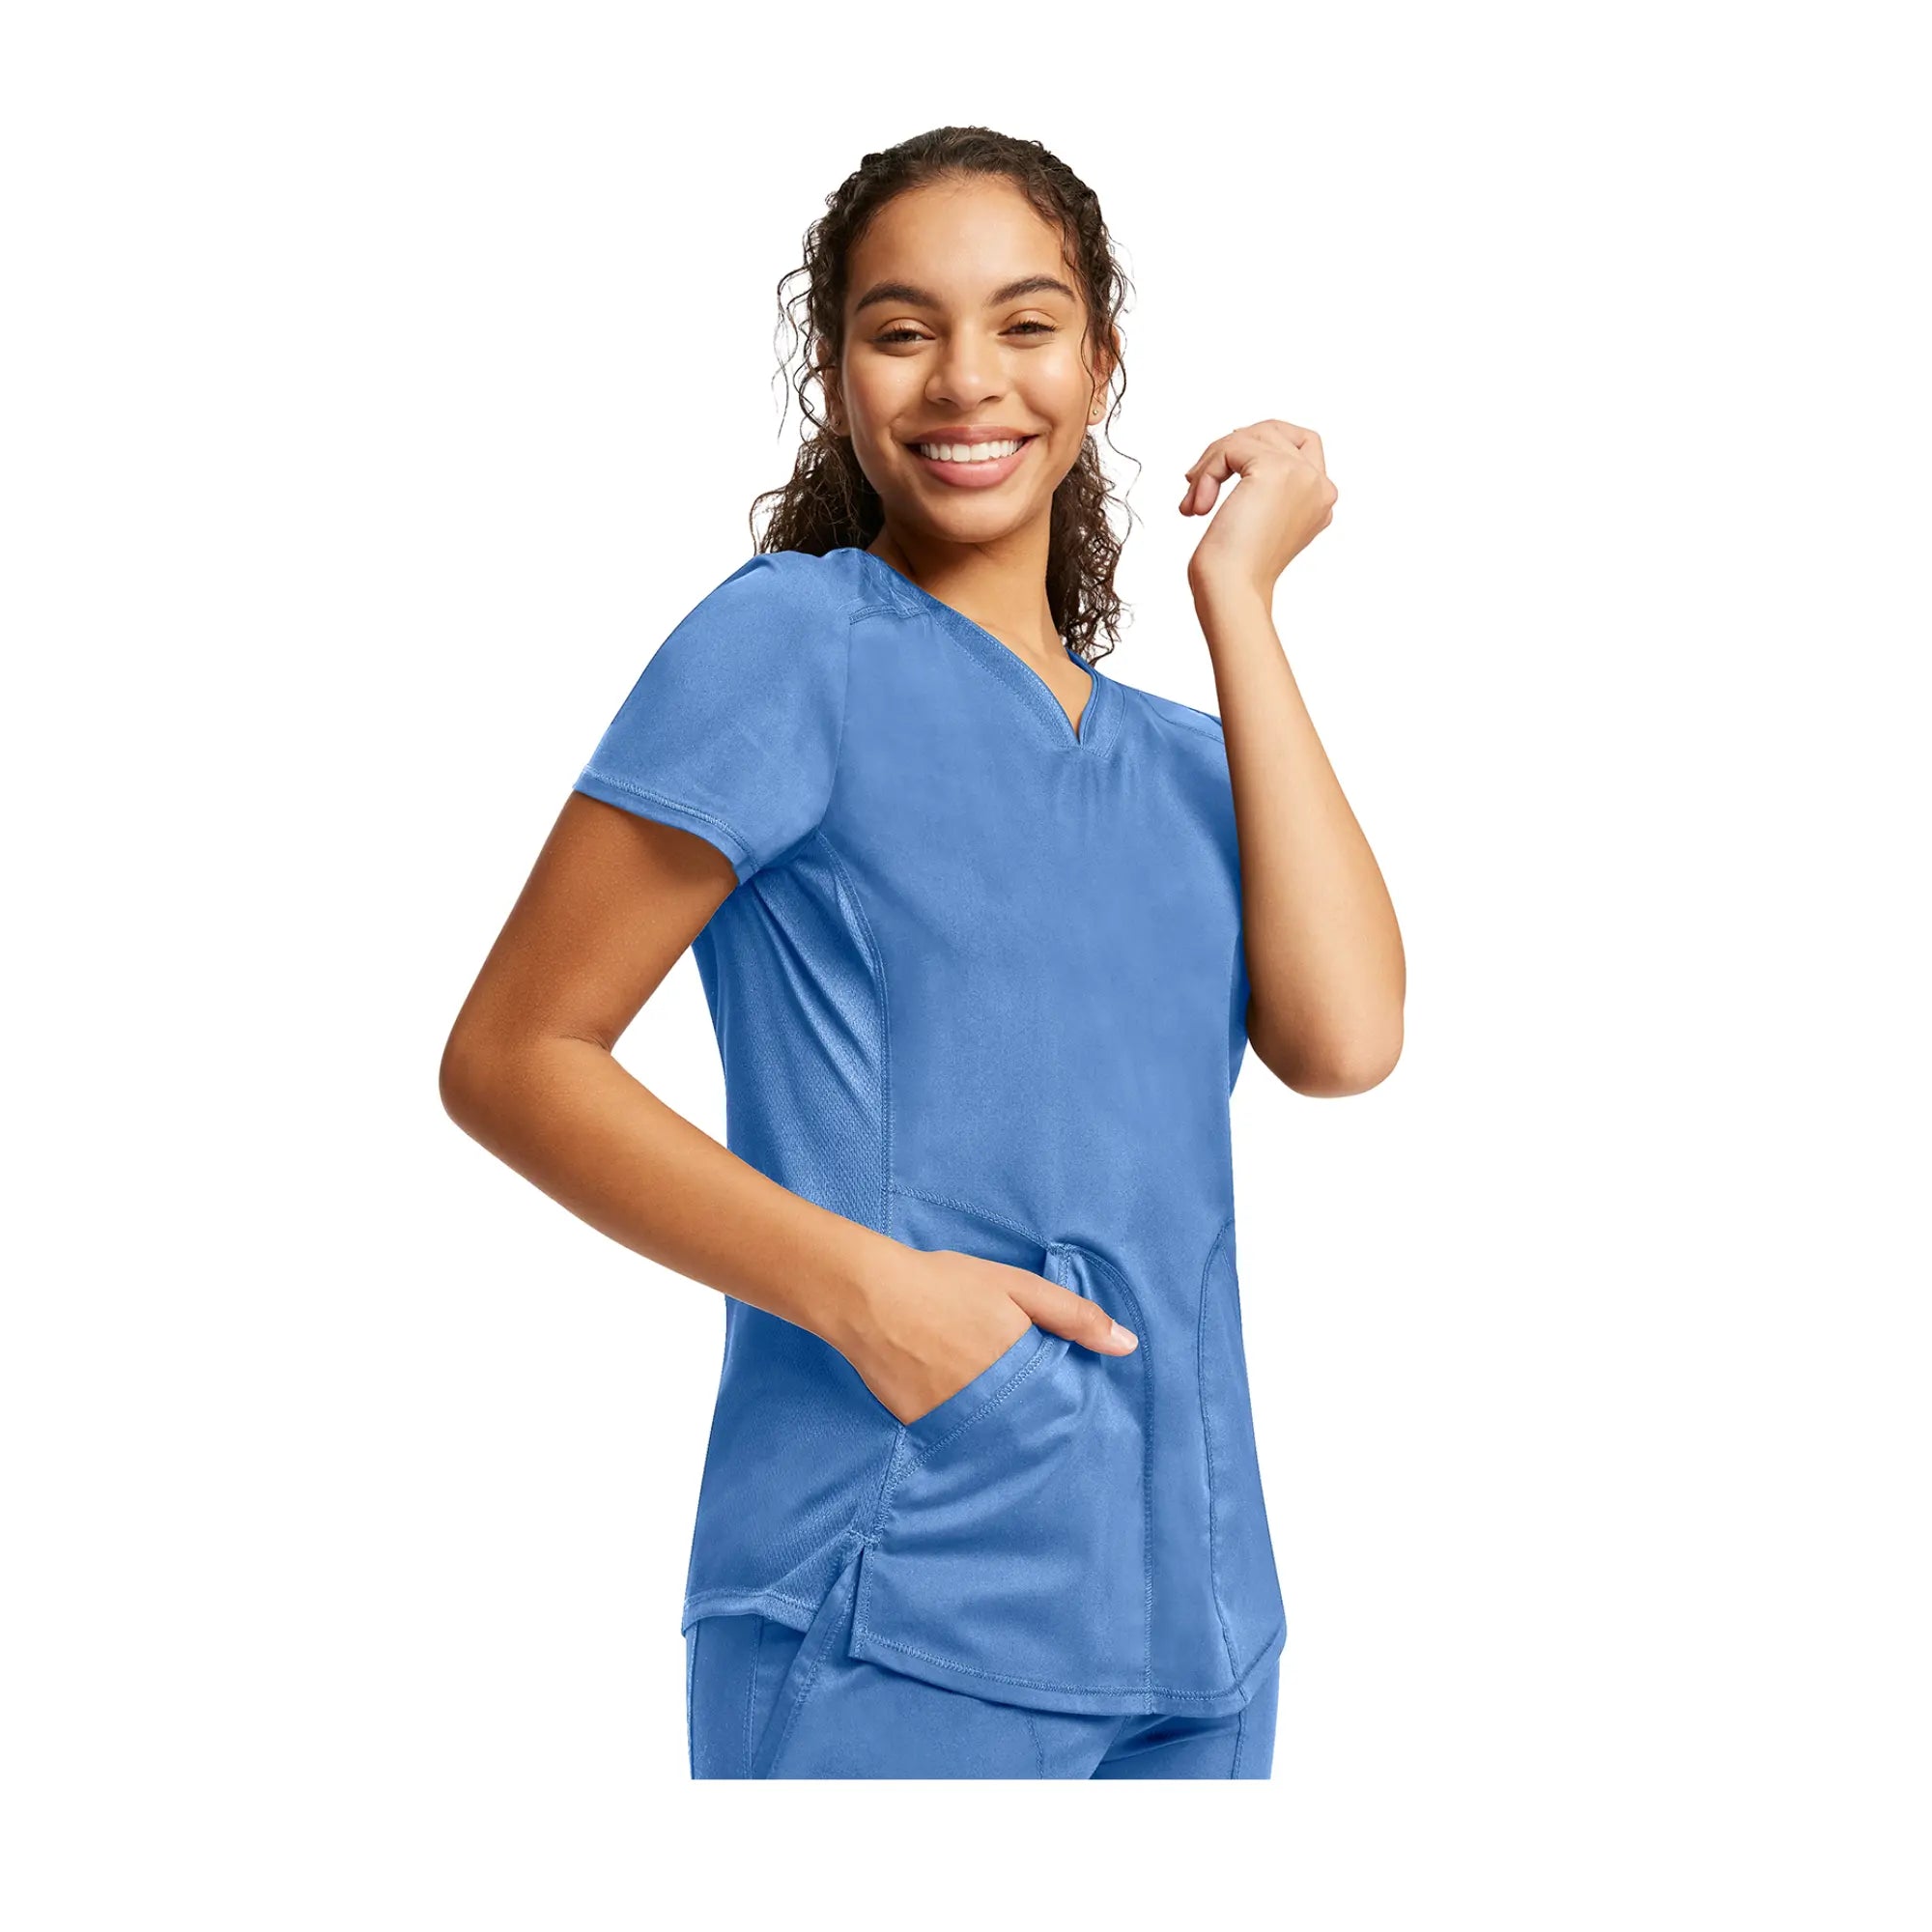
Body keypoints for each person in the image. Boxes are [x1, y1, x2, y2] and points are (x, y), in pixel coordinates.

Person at [440, 126, 1405, 1779]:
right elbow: (514, 1057)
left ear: (1101, 363)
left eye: (1027, 325)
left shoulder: (1194, 761)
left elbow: (1348, 1040)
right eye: (904, 330)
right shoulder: (788, 643)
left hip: (1202, 1622)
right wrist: (878, 1299)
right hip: (894, 1588)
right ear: (835, 375)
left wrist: (1240, 601)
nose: (969, 380)